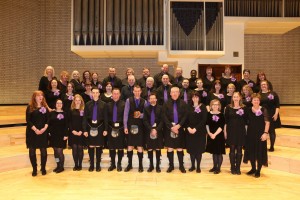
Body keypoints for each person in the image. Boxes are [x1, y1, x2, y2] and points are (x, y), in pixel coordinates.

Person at [243, 93, 270, 178]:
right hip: (251, 134)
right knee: (251, 152)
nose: (256, 101)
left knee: (260, 152)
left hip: (260, 134)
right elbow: (245, 123)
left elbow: (267, 122)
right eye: (254, 100)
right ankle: (253, 168)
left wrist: (265, 133)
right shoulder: (248, 110)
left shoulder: (263, 110)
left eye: (257, 100)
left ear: (259, 101)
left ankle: (258, 170)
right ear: (251, 101)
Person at [163, 86, 188, 173]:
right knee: (170, 148)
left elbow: (185, 116)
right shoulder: (166, 103)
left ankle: (181, 166)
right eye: (173, 92)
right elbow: (164, 116)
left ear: (179, 93)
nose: (174, 93)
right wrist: (171, 127)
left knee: (179, 147)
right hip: (169, 128)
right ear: (170, 93)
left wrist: (179, 126)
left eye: (176, 92)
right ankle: (171, 166)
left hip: (180, 128)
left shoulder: (183, 103)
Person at [83, 88, 108, 172]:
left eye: (97, 92)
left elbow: (105, 118)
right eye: (93, 92)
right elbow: (85, 118)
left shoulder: (104, 104)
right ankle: (92, 165)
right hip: (90, 127)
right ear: (91, 93)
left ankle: (98, 165)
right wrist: (85, 130)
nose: (95, 94)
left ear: (99, 94)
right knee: (91, 146)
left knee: (98, 146)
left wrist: (105, 129)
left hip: (100, 127)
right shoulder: (87, 104)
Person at [26, 91, 49, 176]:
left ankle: (43, 168)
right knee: (32, 151)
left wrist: (44, 128)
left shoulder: (45, 107)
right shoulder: (30, 107)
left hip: (43, 131)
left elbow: (48, 119)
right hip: (32, 132)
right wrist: (35, 129)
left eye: (41, 95)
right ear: (34, 97)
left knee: (43, 150)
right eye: (38, 95)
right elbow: (28, 121)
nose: (40, 97)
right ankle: (34, 169)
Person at [123, 85, 146, 172]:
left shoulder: (145, 101)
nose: (137, 92)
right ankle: (130, 164)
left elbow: (146, 115)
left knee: (140, 146)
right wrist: (125, 126)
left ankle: (140, 165)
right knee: (130, 146)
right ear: (133, 91)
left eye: (138, 91)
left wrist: (141, 115)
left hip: (140, 126)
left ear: (140, 92)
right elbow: (125, 114)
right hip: (130, 125)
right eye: (135, 91)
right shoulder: (128, 100)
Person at [224, 92, 247, 175]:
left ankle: (238, 168)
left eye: (237, 97)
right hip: (231, 131)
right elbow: (225, 121)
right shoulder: (228, 107)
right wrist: (225, 131)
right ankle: (232, 167)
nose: (236, 98)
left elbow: (246, 121)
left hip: (240, 131)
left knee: (240, 149)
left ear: (240, 98)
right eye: (234, 97)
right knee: (232, 149)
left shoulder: (244, 108)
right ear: (232, 98)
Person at [185, 92, 207, 173]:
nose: (195, 99)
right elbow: (185, 119)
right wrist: (188, 128)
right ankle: (192, 166)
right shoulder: (188, 107)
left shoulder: (203, 107)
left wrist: (195, 129)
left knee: (198, 150)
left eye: (196, 97)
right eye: (193, 97)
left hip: (199, 132)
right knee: (191, 150)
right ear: (191, 98)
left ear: (199, 98)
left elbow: (204, 120)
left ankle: (198, 167)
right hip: (190, 131)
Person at [143, 93, 164, 173]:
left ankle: (158, 166)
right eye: (150, 98)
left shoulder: (160, 108)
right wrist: (151, 129)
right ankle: (151, 165)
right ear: (149, 100)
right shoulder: (146, 108)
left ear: (156, 99)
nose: (152, 100)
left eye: (153, 98)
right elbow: (144, 120)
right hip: (149, 131)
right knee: (150, 148)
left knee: (158, 148)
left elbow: (162, 120)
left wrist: (156, 129)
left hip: (158, 130)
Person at [106, 88, 126, 172]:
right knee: (112, 147)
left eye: (117, 93)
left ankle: (119, 164)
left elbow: (125, 117)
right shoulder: (108, 105)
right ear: (112, 94)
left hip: (120, 128)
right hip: (111, 128)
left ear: (120, 94)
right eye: (114, 93)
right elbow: (106, 118)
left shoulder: (124, 104)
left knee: (120, 147)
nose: (116, 95)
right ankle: (113, 164)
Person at [259, 80, 281, 152]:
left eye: (265, 84)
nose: (263, 86)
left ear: (267, 85)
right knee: (262, 131)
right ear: (260, 86)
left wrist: (276, 114)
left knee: (271, 131)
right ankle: (262, 147)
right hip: (262, 115)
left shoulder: (273, 93)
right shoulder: (258, 94)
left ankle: (272, 147)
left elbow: (277, 105)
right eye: (262, 84)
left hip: (272, 114)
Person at [206, 99, 226, 174]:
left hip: (219, 135)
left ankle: (218, 168)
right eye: (213, 104)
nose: (215, 106)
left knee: (219, 152)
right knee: (214, 152)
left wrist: (214, 134)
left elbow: (221, 126)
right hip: (211, 135)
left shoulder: (221, 115)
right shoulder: (208, 114)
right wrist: (209, 133)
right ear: (211, 106)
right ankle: (214, 166)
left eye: (217, 104)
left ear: (219, 106)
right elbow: (206, 124)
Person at [48, 99, 68, 173]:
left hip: (62, 135)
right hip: (53, 135)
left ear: (62, 105)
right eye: (57, 103)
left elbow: (67, 125)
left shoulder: (65, 114)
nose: (59, 104)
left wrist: (66, 134)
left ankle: (61, 167)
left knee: (60, 151)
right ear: (55, 104)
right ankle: (57, 165)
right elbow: (49, 123)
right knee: (55, 152)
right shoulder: (51, 113)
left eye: (60, 103)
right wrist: (49, 132)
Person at [68, 94, 85, 171]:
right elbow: (69, 122)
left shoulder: (84, 110)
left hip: (81, 132)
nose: (77, 102)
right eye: (76, 100)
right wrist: (72, 131)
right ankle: (76, 164)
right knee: (74, 149)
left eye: (79, 100)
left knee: (80, 148)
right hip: (73, 132)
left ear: (81, 101)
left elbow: (85, 121)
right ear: (74, 101)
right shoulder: (71, 110)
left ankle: (80, 164)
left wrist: (82, 130)